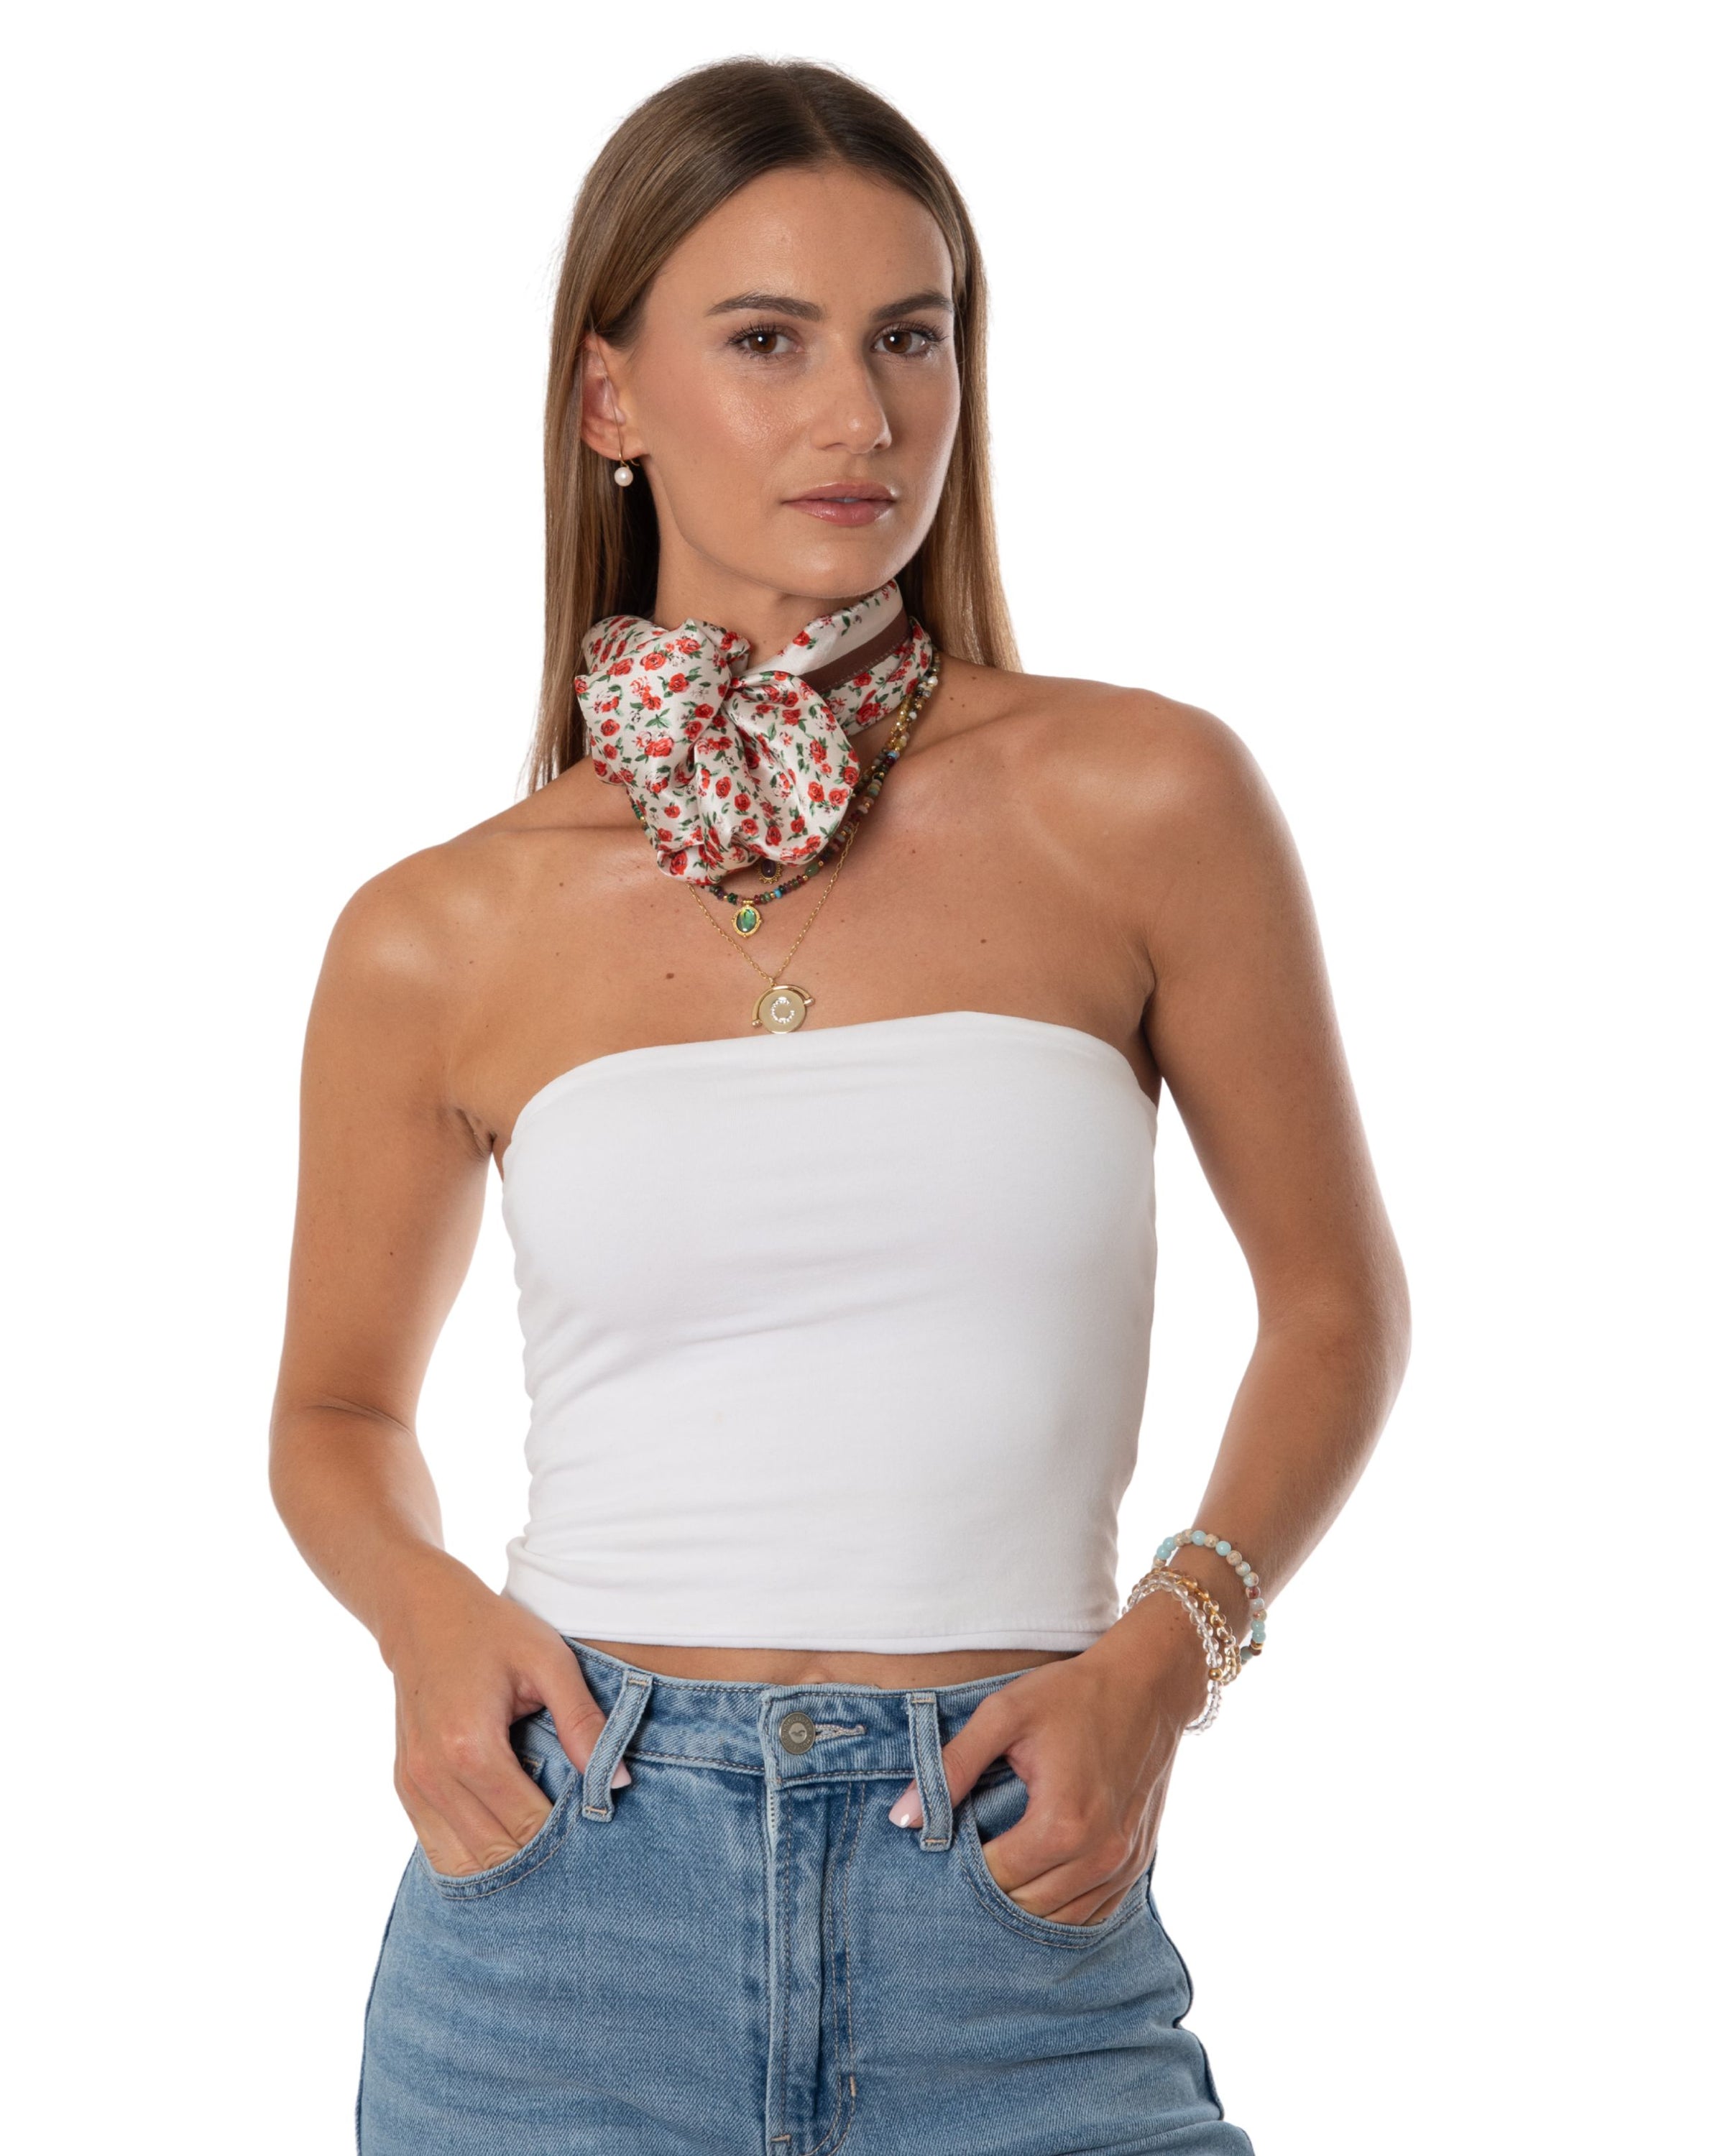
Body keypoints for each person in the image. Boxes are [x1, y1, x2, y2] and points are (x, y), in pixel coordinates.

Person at [270, 55, 1410, 2156]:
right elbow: (335, 1413)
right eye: (767, 341)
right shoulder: (438, 929)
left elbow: (1337, 1308)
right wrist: (425, 1621)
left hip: (1010, 1894)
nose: (863, 418)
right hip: (560, 1916)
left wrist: (1166, 1662)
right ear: (609, 396)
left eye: (911, 337)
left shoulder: (1142, 800)